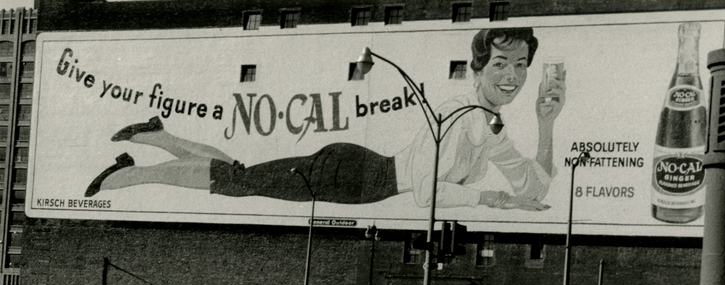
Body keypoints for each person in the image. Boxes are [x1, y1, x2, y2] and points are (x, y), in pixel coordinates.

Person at [85, 27, 565, 213]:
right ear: (478, 68)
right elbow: (426, 190)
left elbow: (535, 186)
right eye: (500, 64)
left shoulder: (490, 123)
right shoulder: (461, 114)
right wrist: (496, 198)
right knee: (237, 180)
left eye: (521, 64)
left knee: (240, 174)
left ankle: (158, 134)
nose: (513, 76)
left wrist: (547, 123)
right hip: (353, 174)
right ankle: (124, 177)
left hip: (358, 178)